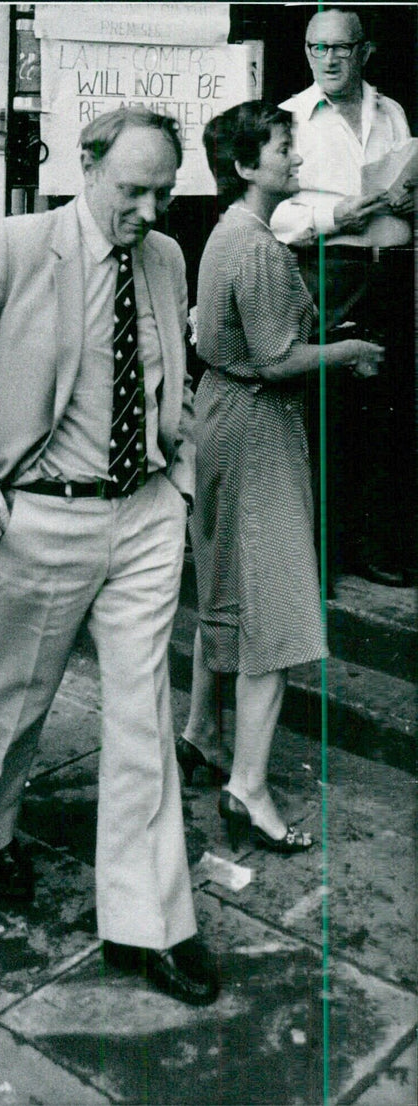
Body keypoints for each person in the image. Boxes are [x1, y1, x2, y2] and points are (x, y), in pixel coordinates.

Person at [0, 106, 220, 1007]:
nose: (149, 210)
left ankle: (146, 923)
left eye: (162, 192)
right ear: (86, 165)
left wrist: (180, 473)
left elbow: (172, 378)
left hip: (147, 514)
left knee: (145, 716)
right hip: (45, 516)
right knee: (18, 691)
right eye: (132, 189)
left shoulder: (164, 257)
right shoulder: (17, 245)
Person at [180, 102, 384, 853]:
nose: (294, 159)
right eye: (281, 150)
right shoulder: (257, 248)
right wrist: (347, 352)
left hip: (222, 417)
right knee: (281, 610)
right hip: (258, 424)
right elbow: (275, 359)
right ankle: (249, 787)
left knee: (228, 589)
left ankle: (202, 732)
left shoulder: (232, 232)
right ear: (243, 166)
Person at [270, 6, 415, 587]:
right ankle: (321, 553)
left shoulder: (392, 112)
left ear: (365, 52)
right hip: (328, 272)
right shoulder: (290, 117)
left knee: (390, 409)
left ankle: (377, 546)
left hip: (393, 271)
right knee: (326, 413)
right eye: (317, 48)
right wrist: (337, 213)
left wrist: (408, 202)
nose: (328, 60)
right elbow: (273, 211)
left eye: (340, 48)